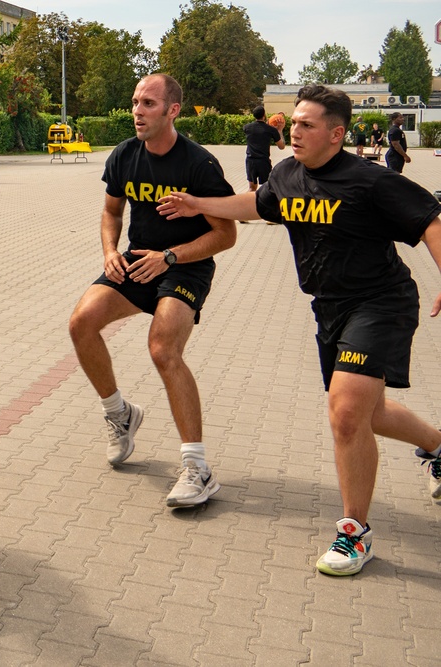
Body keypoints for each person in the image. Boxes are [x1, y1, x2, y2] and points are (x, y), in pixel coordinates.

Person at [157, 84, 441, 577]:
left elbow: (432, 220)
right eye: (293, 123)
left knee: (346, 414)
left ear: (337, 133)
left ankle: (355, 533)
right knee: (366, 414)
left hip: (381, 303)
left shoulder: (369, 181)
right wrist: (197, 204)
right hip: (329, 308)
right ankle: (439, 446)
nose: (294, 131)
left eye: (307, 125)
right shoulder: (287, 173)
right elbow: (256, 205)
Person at [67, 73, 236, 509]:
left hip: (186, 267)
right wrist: (109, 251)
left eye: (148, 103)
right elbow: (110, 211)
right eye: (135, 101)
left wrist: (172, 257)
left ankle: (198, 469)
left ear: (172, 110)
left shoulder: (199, 164)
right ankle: (120, 415)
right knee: (82, 322)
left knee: (163, 349)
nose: (137, 111)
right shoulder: (124, 156)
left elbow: (226, 235)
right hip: (137, 261)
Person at [240, 105, 286, 224]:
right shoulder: (270, 130)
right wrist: (279, 131)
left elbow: (256, 129)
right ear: (264, 115)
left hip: (250, 161)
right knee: (268, 188)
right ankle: (269, 218)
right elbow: (282, 146)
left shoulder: (247, 127)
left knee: (252, 188)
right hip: (263, 161)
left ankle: (243, 214)